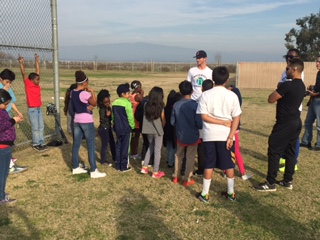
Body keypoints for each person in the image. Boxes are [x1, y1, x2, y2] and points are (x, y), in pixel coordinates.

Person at [254, 58, 305, 192]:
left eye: (287, 69)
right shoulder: (302, 86)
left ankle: (270, 182)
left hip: (284, 123)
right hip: (296, 121)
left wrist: (278, 88)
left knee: (274, 150)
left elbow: (271, 99)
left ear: (294, 70)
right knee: (290, 151)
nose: (286, 71)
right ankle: (288, 180)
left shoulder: (287, 85)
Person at [196, 66, 241, 203]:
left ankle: (205, 194)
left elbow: (204, 116)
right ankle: (231, 193)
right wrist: (230, 135)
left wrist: (219, 122)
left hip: (209, 135)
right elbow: (236, 118)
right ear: (227, 80)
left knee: (209, 164)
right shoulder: (232, 95)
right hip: (226, 136)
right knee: (229, 165)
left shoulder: (205, 95)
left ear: (213, 79)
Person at [70, 70, 106, 178]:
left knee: (76, 144)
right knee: (91, 145)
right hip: (86, 121)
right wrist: (92, 92)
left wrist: (87, 106)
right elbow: (94, 102)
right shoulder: (84, 93)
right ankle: (93, 170)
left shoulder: (73, 92)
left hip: (77, 120)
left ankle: (75, 167)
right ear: (85, 83)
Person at [171, 81, 202, 186]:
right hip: (192, 135)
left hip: (180, 134)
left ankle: (176, 176)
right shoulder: (195, 105)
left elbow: (172, 121)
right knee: (190, 157)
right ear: (192, 91)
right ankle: (187, 178)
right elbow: (199, 122)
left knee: (178, 155)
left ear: (180, 92)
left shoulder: (176, 105)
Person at [278, 49, 304, 172]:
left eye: (292, 57)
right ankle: (285, 158)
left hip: (293, 109)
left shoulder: (297, 71)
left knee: (294, 137)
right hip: (284, 108)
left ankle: (294, 161)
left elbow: (285, 88)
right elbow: (280, 86)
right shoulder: (286, 71)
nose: (289, 59)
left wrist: (282, 89)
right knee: (285, 136)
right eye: (287, 57)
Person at [0, 69, 28, 174]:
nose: (9, 84)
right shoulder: (3, 89)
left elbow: (11, 102)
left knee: (7, 139)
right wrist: (4, 89)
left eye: (10, 82)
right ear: (1, 79)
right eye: (7, 81)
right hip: (1, 118)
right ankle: (9, 165)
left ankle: (9, 164)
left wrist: (18, 112)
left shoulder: (9, 89)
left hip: (7, 117)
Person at [18, 54, 47, 152]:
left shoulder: (36, 83)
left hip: (39, 108)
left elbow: (37, 71)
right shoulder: (28, 84)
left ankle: (42, 142)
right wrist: (21, 63)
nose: (39, 80)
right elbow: (23, 73)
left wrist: (37, 60)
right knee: (35, 127)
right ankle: (36, 143)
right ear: (31, 80)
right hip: (32, 109)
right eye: (37, 79)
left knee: (41, 126)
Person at [0, 89, 23, 204]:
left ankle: (2, 193)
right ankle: (1, 197)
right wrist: (13, 120)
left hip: (6, 146)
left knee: (4, 172)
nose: (7, 105)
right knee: (2, 172)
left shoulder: (2, 111)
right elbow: (1, 126)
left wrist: (14, 120)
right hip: (2, 147)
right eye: (5, 104)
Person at [227, 85, 252, 180]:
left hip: (225, 129)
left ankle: (225, 171)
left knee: (226, 149)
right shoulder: (236, 107)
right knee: (236, 151)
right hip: (234, 130)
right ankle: (243, 173)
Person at [140, 87, 166, 179]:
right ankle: (155, 171)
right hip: (157, 131)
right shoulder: (161, 106)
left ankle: (144, 167)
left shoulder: (146, 104)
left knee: (150, 147)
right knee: (157, 150)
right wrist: (162, 127)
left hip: (148, 130)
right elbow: (163, 120)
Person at [112, 83, 135, 172]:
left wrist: (114, 124)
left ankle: (118, 165)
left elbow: (113, 116)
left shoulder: (114, 103)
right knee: (125, 148)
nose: (129, 95)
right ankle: (124, 166)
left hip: (117, 128)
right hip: (126, 129)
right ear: (123, 94)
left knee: (118, 146)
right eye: (128, 93)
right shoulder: (127, 103)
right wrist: (132, 127)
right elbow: (130, 116)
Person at [194, 79, 214, 177]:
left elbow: (198, 115)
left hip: (203, 127)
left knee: (201, 150)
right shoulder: (216, 97)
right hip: (215, 127)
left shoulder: (201, 98)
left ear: (202, 88)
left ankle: (202, 169)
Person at [300, 56, 320, 151]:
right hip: (314, 100)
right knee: (308, 122)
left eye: (319, 62)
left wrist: (315, 94)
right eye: (317, 61)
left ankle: (319, 145)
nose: (317, 64)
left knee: (319, 125)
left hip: (318, 101)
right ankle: (306, 141)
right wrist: (313, 88)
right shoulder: (319, 73)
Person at [97, 89, 115, 166]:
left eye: (108, 101)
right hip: (103, 129)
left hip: (108, 128)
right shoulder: (102, 109)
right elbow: (102, 119)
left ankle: (115, 157)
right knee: (105, 145)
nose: (108, 103)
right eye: (106, 102)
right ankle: (103, 160)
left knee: (112, 142)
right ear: (101, 102)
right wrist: (107, 115)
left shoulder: (108, 108)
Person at [163, 90, 181, 168]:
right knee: (173, 147)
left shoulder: (166, 108)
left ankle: (168, 159)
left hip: (166, 129)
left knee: (168, 145)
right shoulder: (175, 108)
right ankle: (171, 162)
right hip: (173, 130)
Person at [129, 80, 144, 159]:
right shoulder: (137, 96)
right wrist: (142, 93)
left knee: (134, 136)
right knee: (136, 137)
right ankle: (134, 153)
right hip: (136, 118)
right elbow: (142, 101)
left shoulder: (131, 95)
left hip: (132, 117)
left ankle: (133, 152)